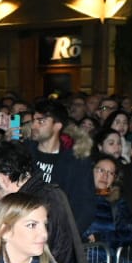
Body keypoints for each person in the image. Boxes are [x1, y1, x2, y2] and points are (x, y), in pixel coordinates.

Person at [26, 99, 97, 234]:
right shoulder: (24, 154)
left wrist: (67, 237)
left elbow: (86, 206)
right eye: (33, 121)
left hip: (60, 236)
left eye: (41, 121)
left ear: (57, 126)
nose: (34, 126)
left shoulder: (76, 163)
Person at [86, 155, 132, 247]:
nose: (105, 176)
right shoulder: (77, 196)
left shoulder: (116, 203)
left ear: (115, 178)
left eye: (111, 173)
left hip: (102, 259)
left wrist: (101, 237)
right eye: (101, 170)